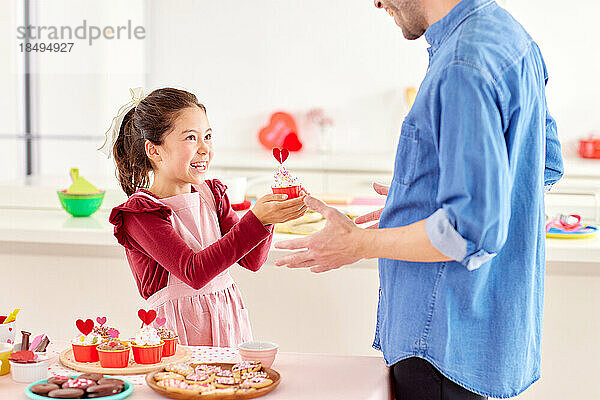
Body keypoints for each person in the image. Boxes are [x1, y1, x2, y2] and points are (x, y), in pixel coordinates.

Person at [275, 0, 563, 399]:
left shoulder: (462, 65)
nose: (377, 2)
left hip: (444, 344)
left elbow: (470, 231)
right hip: (488, 341)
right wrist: (420, 203)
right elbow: (541, 166)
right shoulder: (510, 37)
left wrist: (357, 243)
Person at [103, 87, 307, 346]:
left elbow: (252, 260)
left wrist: (269, 218)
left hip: (227, 318)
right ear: (154, 151)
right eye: (191, 138)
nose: (204, 149)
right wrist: (256, 218)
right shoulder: (142, 214)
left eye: (208, 136)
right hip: (177, 333)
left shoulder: (211, 195)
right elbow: (194, 272)